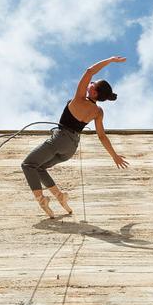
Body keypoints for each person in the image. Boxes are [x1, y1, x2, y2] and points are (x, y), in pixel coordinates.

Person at [22, 56, 129, 218]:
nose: (90, 83)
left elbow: (89, 71)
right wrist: (114, 156)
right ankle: (60, 196)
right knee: (39, 167)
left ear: (94, 91)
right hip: (71, 148)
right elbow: (102, 136)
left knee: (28, 165)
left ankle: (41, 199)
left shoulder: (79, 97)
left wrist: (111, 60)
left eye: (93, 84)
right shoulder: (98, 112)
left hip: (60, 138)